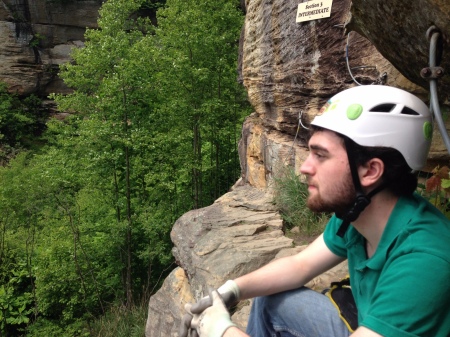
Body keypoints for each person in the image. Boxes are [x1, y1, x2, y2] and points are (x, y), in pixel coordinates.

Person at [179, 85, 450, 337]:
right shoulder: (356, 214)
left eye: (320, 155)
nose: (305, 167)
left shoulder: (424, 259)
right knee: (271, 296)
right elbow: (300, 265)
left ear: (370, 171)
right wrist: (232, 289)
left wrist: (222, 330)